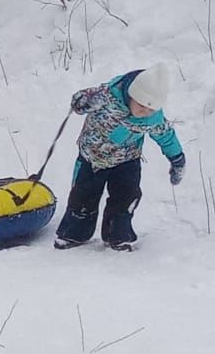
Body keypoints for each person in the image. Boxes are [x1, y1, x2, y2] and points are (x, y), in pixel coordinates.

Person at [55, 63, 185, 252]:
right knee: (83, 197)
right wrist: (82, 102)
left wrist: (177, 159)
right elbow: (81, 100)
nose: (144, 112)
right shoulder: (107, 96)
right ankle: (74, 233)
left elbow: (166, 136)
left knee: (126, 198)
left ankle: (118, 236)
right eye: (140, 105)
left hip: (127, 160)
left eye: (150, 109)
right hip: (93, 158)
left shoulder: (153, 119)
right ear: (132, 94)